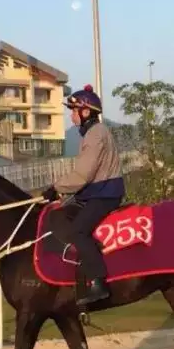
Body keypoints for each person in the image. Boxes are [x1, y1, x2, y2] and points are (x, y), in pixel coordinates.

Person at [41, 84, 125, 307]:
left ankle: (99, 282)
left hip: (105, 194)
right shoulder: (92, 133)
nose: (71, 115)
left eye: (73, 111)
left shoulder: (96, 134)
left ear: (86, 112)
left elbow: (83, 174)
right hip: (96, 192)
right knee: (61, 216)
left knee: (79, 230)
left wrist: (57, 188)